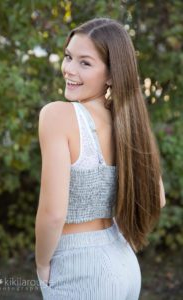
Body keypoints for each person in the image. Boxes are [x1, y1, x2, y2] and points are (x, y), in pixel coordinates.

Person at [35, 17, 166, 300]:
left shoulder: (58, 115)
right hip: (123, 260)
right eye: (68, 57)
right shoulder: (128, 124)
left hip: (80, 270)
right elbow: (158, 197)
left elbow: (53, 214)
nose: (69, 69)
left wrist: (42, 263)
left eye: (85, 63)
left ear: (110, 74)